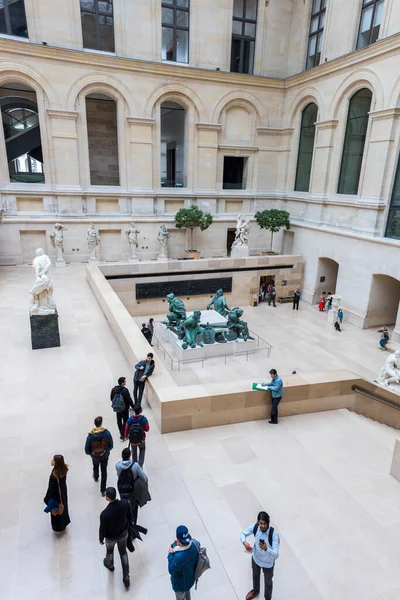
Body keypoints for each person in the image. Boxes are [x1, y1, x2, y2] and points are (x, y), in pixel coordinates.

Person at [240, 511, 280, 600]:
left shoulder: (273, 534)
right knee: (255, 575)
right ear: (258, 522)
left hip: (268, 564)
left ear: (268, 522)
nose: (262, 526)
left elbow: (276, 555)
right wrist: (244, 542)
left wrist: (266, 549)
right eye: (261, 523)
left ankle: (267, 598)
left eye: (265, 524)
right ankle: (255, 590)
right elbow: (243, 534)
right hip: (256, 559)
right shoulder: (256, 527)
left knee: (268, 583)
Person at [99, 487, 132, 590]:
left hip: (110, 538)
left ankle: (110, 565)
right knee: (123, 552)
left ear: (107, 498)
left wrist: (101, 539)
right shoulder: (125, 504)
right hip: (123, 533)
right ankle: (126, 577)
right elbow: (130, 516)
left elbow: (102, 529)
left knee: (109, 551)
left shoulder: (104, 514)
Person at [116, 447, 148, 524]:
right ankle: (134, 524)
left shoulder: (117, 465)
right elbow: (145, 477)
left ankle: (126, 522)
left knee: (124, 506)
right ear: (130, 456)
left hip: (122, 489)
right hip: (132, 490)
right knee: (134, 507)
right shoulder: (135, 465)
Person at [85, 416, 114, 497]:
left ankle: (96, 476)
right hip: (104, 455)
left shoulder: (90, 436)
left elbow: (87, 449)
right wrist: (106, 451)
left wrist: (91, 453)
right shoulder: (106, 433)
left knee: (95, 466)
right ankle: (103, 490)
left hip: (94, 456)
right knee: (104, 471)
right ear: (101, 423)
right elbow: (111, 445)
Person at [168, 525, 199, 600]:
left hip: (180, 585)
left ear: (178, 540)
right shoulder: (195, 544)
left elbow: (170, 570)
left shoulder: (178, 558)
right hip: (191, 579)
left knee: (180, 598)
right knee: (187, 591)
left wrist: (170, 554)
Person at [44, 454, 71, 532]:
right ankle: (64, 523)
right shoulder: (64, 469)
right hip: (63, 493)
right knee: (63, 508)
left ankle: (58, 527)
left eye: (53, 460)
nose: (51, 461)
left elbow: (50, 489)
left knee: (56, 512)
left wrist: (46, 499)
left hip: (56, 496)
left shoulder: (53, 476)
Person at [110, 377, 134, 441]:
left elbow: (111, 398)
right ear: (122, 383)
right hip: (124, 408)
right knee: (125, 420)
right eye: (125, 381)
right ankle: (123, 434)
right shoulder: (125, 390)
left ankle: (121, 432)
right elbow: (129, 399)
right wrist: (133, 407)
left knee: (119, 420)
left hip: (117, 407)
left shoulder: (113, 389)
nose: (126, 382)